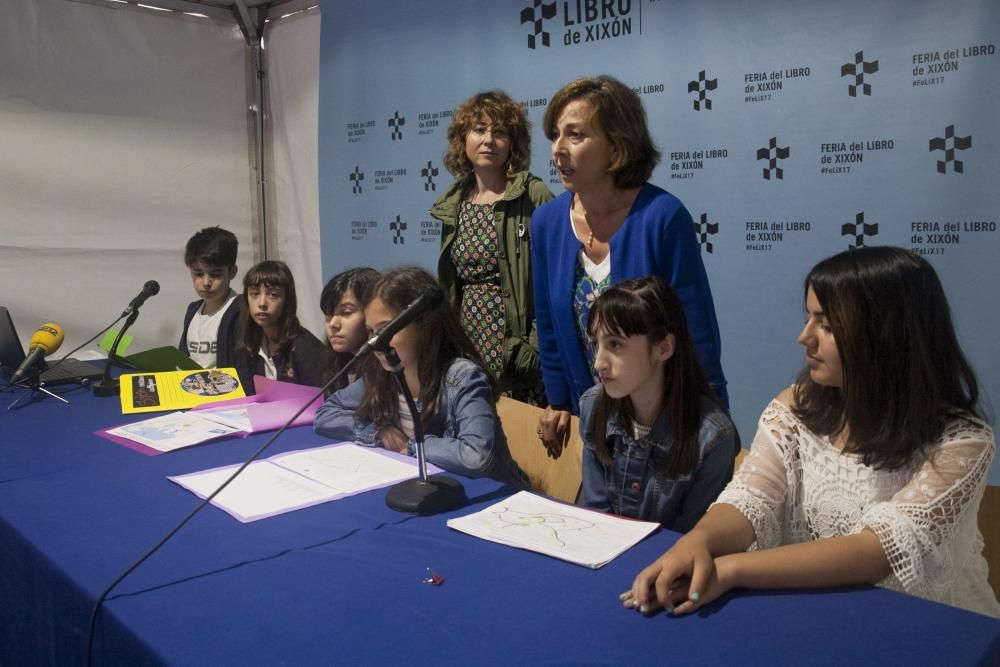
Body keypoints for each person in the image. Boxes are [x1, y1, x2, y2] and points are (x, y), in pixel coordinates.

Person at [623, 247, 999, 619]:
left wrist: (732, 569)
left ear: (887, 337)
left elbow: (876, 552)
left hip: (934, 627)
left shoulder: (963, 443)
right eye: (809, 318)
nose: (806, 337)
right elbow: (750, 498)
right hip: (815, 616)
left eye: (828, 326)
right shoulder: (796, 407)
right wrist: (699, 541)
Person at [531, 75, 727, 454]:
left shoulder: (663, 217)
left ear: (616, 146)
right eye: (555, 135)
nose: (558, 150)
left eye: (575, 135)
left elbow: (694, 328)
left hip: (663, 421)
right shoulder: (547, 222)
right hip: (587, 418)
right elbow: (550, 326)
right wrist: (556, 402)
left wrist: (711, 415)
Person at [314, 267, 527, 486]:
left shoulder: (462, 377)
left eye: (386, 330)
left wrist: (412, 446)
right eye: (371, 332)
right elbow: (324, 415)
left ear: (423, 326)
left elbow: (476, 456)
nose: (376, 343)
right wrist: (378, 432)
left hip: (494, 496)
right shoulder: (382, 373)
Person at [580, 277, 736, 530]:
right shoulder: (593, 405)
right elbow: (597, 515)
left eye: (615, 344)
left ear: (664, 348)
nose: (599, 362)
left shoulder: (713, 437)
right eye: (596, 343)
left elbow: (689, 543)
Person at [431, 90, 553, 404]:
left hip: (517, 345)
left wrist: (535, 346)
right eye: (479, 129)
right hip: (467, 339)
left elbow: (557, 276)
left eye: (500, 132)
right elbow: (450, 284)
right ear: (463, 139)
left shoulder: (533, 194)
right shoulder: (453, 201)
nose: (489, 140)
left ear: (513, 143)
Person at [234, 260, 325, 394]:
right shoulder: (249, 343)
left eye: (273, 295)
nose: (262, 303)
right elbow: (246, 396)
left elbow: (321, 402)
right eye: (254, 293)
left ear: (287, 300)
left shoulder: (306, 348)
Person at [178, 226, 241, 369]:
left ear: (232, 272)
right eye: (199, 274)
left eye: (215, 274)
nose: (206, 283)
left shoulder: (241, 311)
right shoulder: (193, 310)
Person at [319, 267, 379, 395]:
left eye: (346, 312)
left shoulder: (389, 368)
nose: (333, 324)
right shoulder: (336, 362)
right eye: (329, 313)